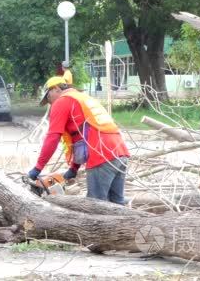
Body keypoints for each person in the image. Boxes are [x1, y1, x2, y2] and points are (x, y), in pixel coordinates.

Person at [27, 76, 130, 204]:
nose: (50, 102)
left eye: (48, 97)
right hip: (120, 152)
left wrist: (38, 168)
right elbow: (81, 134)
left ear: (55, 89)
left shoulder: (62, 101)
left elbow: (53, 137)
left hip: (101, 155)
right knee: (116, 202)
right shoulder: (82, 98)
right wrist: (74, 168)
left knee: (96, 205)